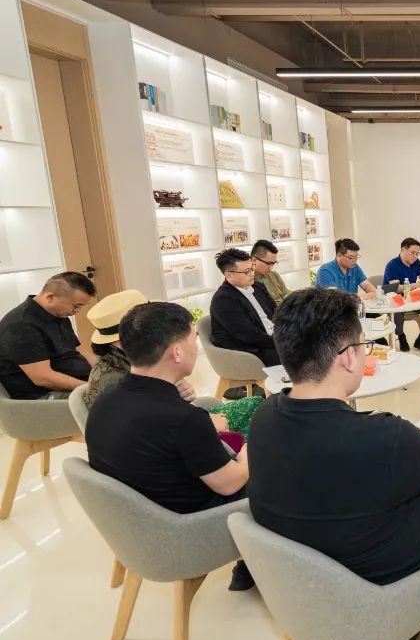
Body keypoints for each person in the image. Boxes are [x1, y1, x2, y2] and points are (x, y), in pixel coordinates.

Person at [247, 287, 420, 611]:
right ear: (348, 356)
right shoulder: (387, 436)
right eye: (364, 346)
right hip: (382, 582)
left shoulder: (263, 417)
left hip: (303, 587)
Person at [84, 301, 253, 590]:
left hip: (143, 521)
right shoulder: (183, 419)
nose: (196, 346)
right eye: (193, 338)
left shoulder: (105, 400)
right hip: (192, 524)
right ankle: (265, 560)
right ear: (176, 351)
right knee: (286, 464)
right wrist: (251, 452)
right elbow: (229, 484)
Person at [83, 290, 259, 445]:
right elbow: (154, 427)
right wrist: (209, 423)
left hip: (182, 423)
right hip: (176, 435)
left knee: (255, 406)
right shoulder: (115, 381)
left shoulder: (140, 358)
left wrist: (182, 392)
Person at [0, 271, 96, 399]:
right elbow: (43, 378)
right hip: (43, 394)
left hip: (75, 382)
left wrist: (104, 371)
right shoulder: (21, 326)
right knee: (112, 400)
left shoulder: (59, 315)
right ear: (50, 297)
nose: (78, 311)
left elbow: (81, 351)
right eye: (76, 306)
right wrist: (92, 388)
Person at [210, 248, 280, 367]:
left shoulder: (258, 287)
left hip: (272, 338)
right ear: (228, 275)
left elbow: (277, 313)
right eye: (247, 271)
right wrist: (282, 342)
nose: (252, 273)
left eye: (252, 268)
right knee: (302, 354)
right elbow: (249, 336)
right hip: (251, 351)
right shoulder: (223, 300)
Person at [251, 239, 290, 306]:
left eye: (273, 263)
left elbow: (288, 299)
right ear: (254, 260)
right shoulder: (246, 281)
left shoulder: (274, 275)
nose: (271, 268)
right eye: (268, 263)